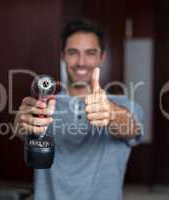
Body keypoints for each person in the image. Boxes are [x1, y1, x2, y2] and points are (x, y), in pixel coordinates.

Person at [14, 18, 143, 200]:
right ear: (63, 56)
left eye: (90, 53)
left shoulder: (125, 105)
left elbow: (130, 128)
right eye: (73, 52)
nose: (81, 62)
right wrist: (22, 121)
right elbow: (22, 129)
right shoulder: (45, 106)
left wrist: (111, 114)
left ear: (102, 56)